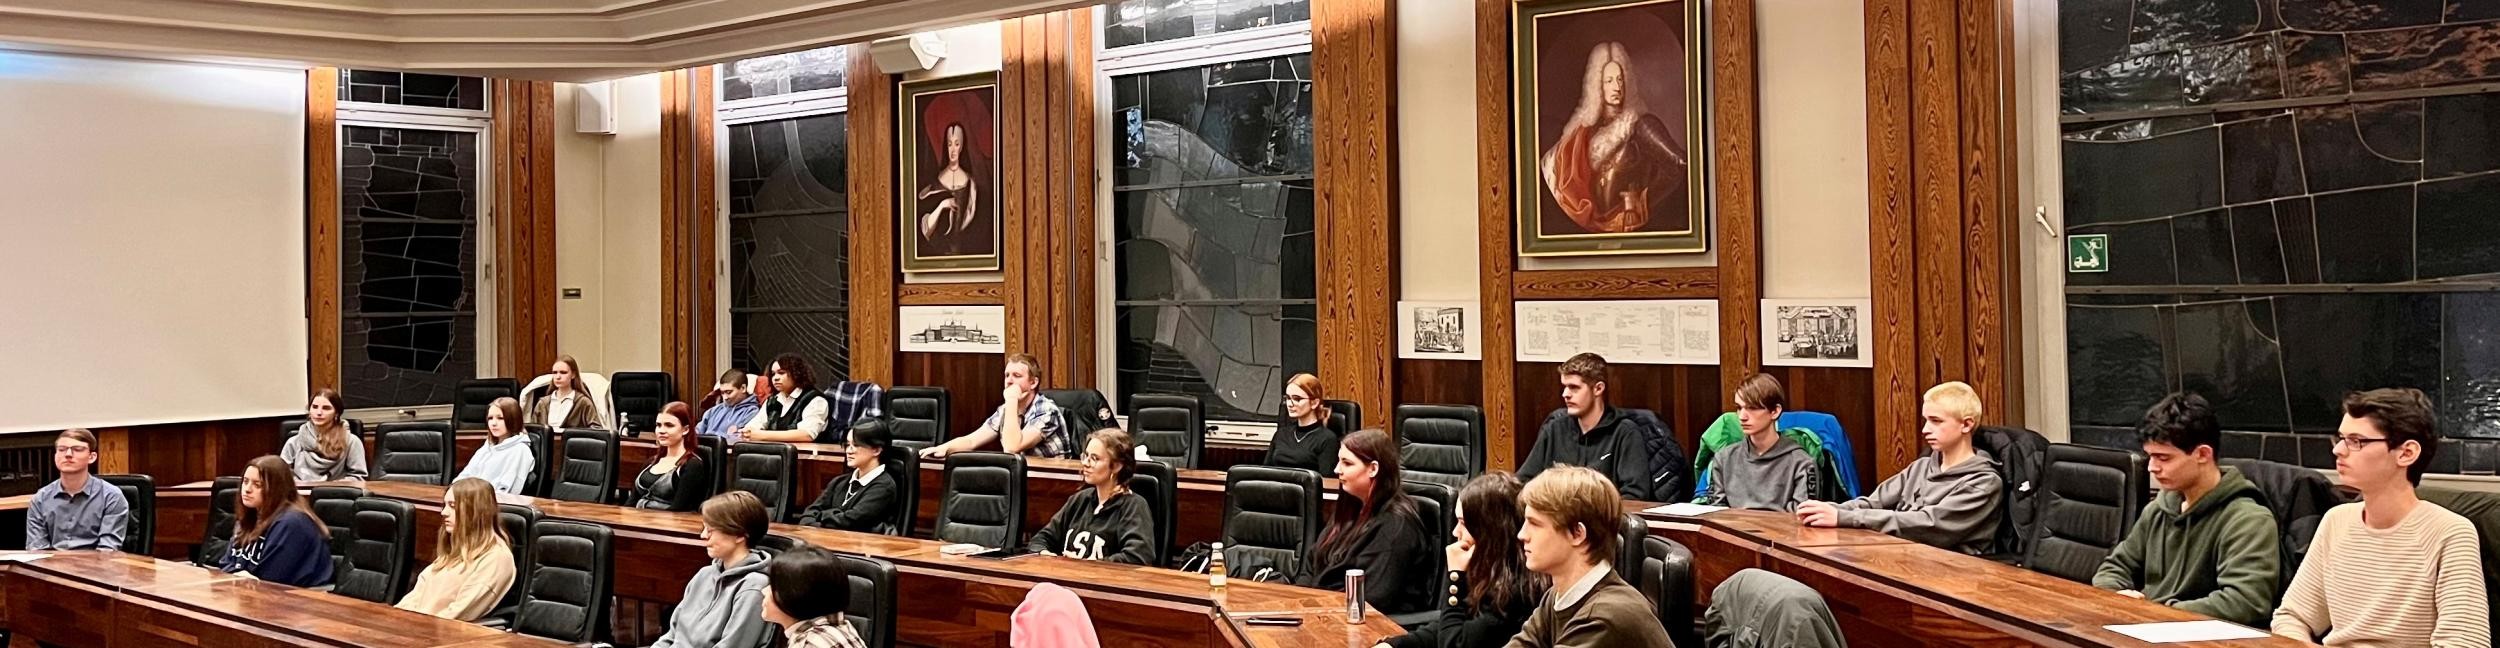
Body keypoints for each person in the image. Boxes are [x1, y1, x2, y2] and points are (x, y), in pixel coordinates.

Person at [2271, 388, 2489, 646]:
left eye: (2356, 441)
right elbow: (2292, 616)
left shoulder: (2450, 533)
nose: (2339, 450)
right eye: (2340, 438)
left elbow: (2466, 643)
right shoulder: (2336, 521)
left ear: (2406, 453)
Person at [2091, 392, 2280, 627]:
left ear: (2202, 454)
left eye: (2164, 458)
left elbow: (2245, 602)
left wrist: (2153, 610)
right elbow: (2115, 567)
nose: (2152, 467)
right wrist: (2116, 596)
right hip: (2147, 628)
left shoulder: (2249, 520)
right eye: (2150, 456)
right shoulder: (2159, 509)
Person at [1797, 381, 2002, 554]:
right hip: (1907, 558)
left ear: (1966, 425)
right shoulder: (1921, 467)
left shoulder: (1983, 483)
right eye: (1925, 420)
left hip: (1957, 575)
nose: (1925, 430)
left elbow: (1929, 525)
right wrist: (1830, 510)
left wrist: (1844, 517)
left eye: (1936, 421)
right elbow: (1874, 503)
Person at [1508, 466, 1677, 648]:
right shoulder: (1558, 595)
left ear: (1577, 534)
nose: (1522, 535)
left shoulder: (1603, 618)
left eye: (1535, 524)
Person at [1537, 42, 1689, 236]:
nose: (1616, 86)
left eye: (1620, 79)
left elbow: (1679, 164)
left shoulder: (1641, 125)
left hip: (1631, 228)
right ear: (1597, 86)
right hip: (1593, 232)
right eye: (1608, 81)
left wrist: (1644, 201)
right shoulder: (1584, 134)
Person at [1381, 473, 1544, 648]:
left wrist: (1455, 577)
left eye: (1463, 523)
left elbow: (1453, 643)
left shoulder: (1517, 592)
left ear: (1489, 530)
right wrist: (1394, 645)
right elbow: (1452, 625)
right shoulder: (1491, 569)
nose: (1455, 532)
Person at [1298, 428, 1433, 616]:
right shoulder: (1350, 509)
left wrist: (1313, 606)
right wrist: (1299, 602)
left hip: (1369, 624)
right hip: (1322, 611)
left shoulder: (1396, 526)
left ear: (1373, 469)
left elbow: (1374, 598)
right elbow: (1313, 562)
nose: (1337, 470)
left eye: (1347, 463)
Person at [1518, 353, 1652, 501]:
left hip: (1604, 520)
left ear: (1598, 389)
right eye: (1564, 387)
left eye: (1574, 387)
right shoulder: (1555, 429)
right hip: (1557, 518)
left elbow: (1635, 495)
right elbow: (1523, 482)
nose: (1565, 394)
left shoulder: (1625, 432)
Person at [652, 491, 775, 648]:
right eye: (704, 528)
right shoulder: (704, 575)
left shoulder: (754, 587)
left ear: (739, 535)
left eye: (710, 530)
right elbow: (672, 635)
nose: (703, 536)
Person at [1025, 429, 1155, 565]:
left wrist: (1088, 564)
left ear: (1116, 466)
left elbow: (1137, 558)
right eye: (1086, 456)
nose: (1086, 463)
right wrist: (1046, 554)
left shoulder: (1134, 507)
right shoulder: (1080, 499)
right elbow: (1041, 539)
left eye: (1095, 458)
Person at [396, 478, 515, 621]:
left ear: (475, 511)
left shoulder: (496, 558)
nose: (444, 513)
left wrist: (414, 628)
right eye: (445, 505)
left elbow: (458, 612)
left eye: (453, 506)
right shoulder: (454, 551)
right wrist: (395, 619)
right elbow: (414, 598)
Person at [1698, 374, 1816, 511]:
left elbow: (1803, 517)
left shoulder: (1802, 463)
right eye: (1739, 408)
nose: (1742, 417)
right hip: (1731, 530)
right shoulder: (1724, 458)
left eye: (1752, 408)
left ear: (1775, 411)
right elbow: (1717, 513)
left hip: (1781, 531)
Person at [919, 354, 1069, 460]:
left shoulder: (1047, 411)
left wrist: (1011, 400)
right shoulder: (1005, 409)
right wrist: (944, 448)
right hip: (1022, 478)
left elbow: (1012, 447)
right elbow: (972, 441)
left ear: (1033, 383)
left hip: (1052, 483)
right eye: (1007, 375)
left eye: (1016, 376)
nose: (1009, 381)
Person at [219, 455, 334, 587]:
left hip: (300, 599)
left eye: (258, 485)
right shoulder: (250, 517)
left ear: (276, 489)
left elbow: (271, 577)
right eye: (245, 481)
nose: (247, 489)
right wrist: (239, 575)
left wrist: (240, 576)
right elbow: (225, 563)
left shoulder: (292, 523)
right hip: (256, 595)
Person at [743, 354, 884, 445]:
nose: (775, 378)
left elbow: (807, 434)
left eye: (781, 373)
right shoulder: (772, 401)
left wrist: (762, 435)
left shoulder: (815, 400)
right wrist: (748, 432)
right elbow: (754, 426)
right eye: (773, 374)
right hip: (774, 456)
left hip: (809, 460)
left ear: (797, 374)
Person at [26, 428, 129, 551]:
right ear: (55, 456)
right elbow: (37, 549)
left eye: (77, 449)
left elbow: (107, 551)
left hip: (95, 567)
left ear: (92, 457)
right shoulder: (40, 498)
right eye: (62, 450)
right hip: (51, 567)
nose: (68, 454)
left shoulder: (112, 496)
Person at [795, 419, 902, 534]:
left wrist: (822, 516)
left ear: (876, 450)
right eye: (847, 445)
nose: (848, 451)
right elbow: (808, 514)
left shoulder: (884, 487)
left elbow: (851, 522)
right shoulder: (839, 482)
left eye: (855, 445)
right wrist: (827, 517)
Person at [764, 545, 869, 648]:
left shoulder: (810, 643)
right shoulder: (838, 628)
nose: (764, 591)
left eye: (773, 586)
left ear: (796, 596)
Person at [633, 402, 713, 512]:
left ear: (685, 430)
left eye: (669, 425)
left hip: (670, 524)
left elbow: (678, 509)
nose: (661, 430)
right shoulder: (651, 462)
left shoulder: (692, 465)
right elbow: (632, 501)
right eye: (658, 425)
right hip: (637, 520)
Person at [281, 388, 367, 482]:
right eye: (314, 407)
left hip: (335, 494)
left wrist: (332, 487)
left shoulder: (351, 442)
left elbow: (359, 476)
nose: (319, 413)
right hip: (300, 493)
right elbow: (281, 474)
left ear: (336, 413)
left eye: (326, 408)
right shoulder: (294, 442)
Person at [455, 397, 535, 494]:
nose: (493, 423)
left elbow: (507, 490)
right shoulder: (488, 446)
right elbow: (467, 474)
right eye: (490, 418)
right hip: (470, 498)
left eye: (500, 418)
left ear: (513, 419)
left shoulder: (520, 450)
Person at [1266, 373, 1342, 472]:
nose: (1289, 404)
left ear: (1314, 403)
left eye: (1297, 399)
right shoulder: (1281, 434)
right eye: (1288, 398)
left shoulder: (1327, 439)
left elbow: (1326, 481)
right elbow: (1265, 472)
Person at [529, 355, 604, 429]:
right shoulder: (542, 403)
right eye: (555, 372)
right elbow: (533, 431)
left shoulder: (583, 402)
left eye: (563, 372)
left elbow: (596, 430)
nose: (558, 377)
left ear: (573, 375)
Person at [697, 369, 762, 442]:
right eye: (722, 393)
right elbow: (696, 433)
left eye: (729, 392)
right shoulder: (713, 411)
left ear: (743, 388)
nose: (725, 397)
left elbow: (742, 440)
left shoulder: (752, 412)